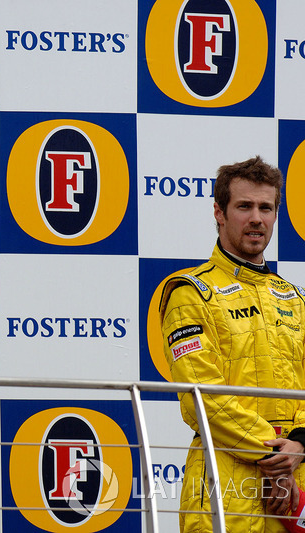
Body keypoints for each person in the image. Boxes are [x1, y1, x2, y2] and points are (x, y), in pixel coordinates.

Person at [160, 156, 305, 531]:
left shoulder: (294, 298)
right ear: (219, 212)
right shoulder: (191, 292)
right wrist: (276, 456)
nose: (256, 218)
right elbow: (202, 396)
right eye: (244, 206)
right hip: (225, 481)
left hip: (295, 483)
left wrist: (300, 445)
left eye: (266, 208)